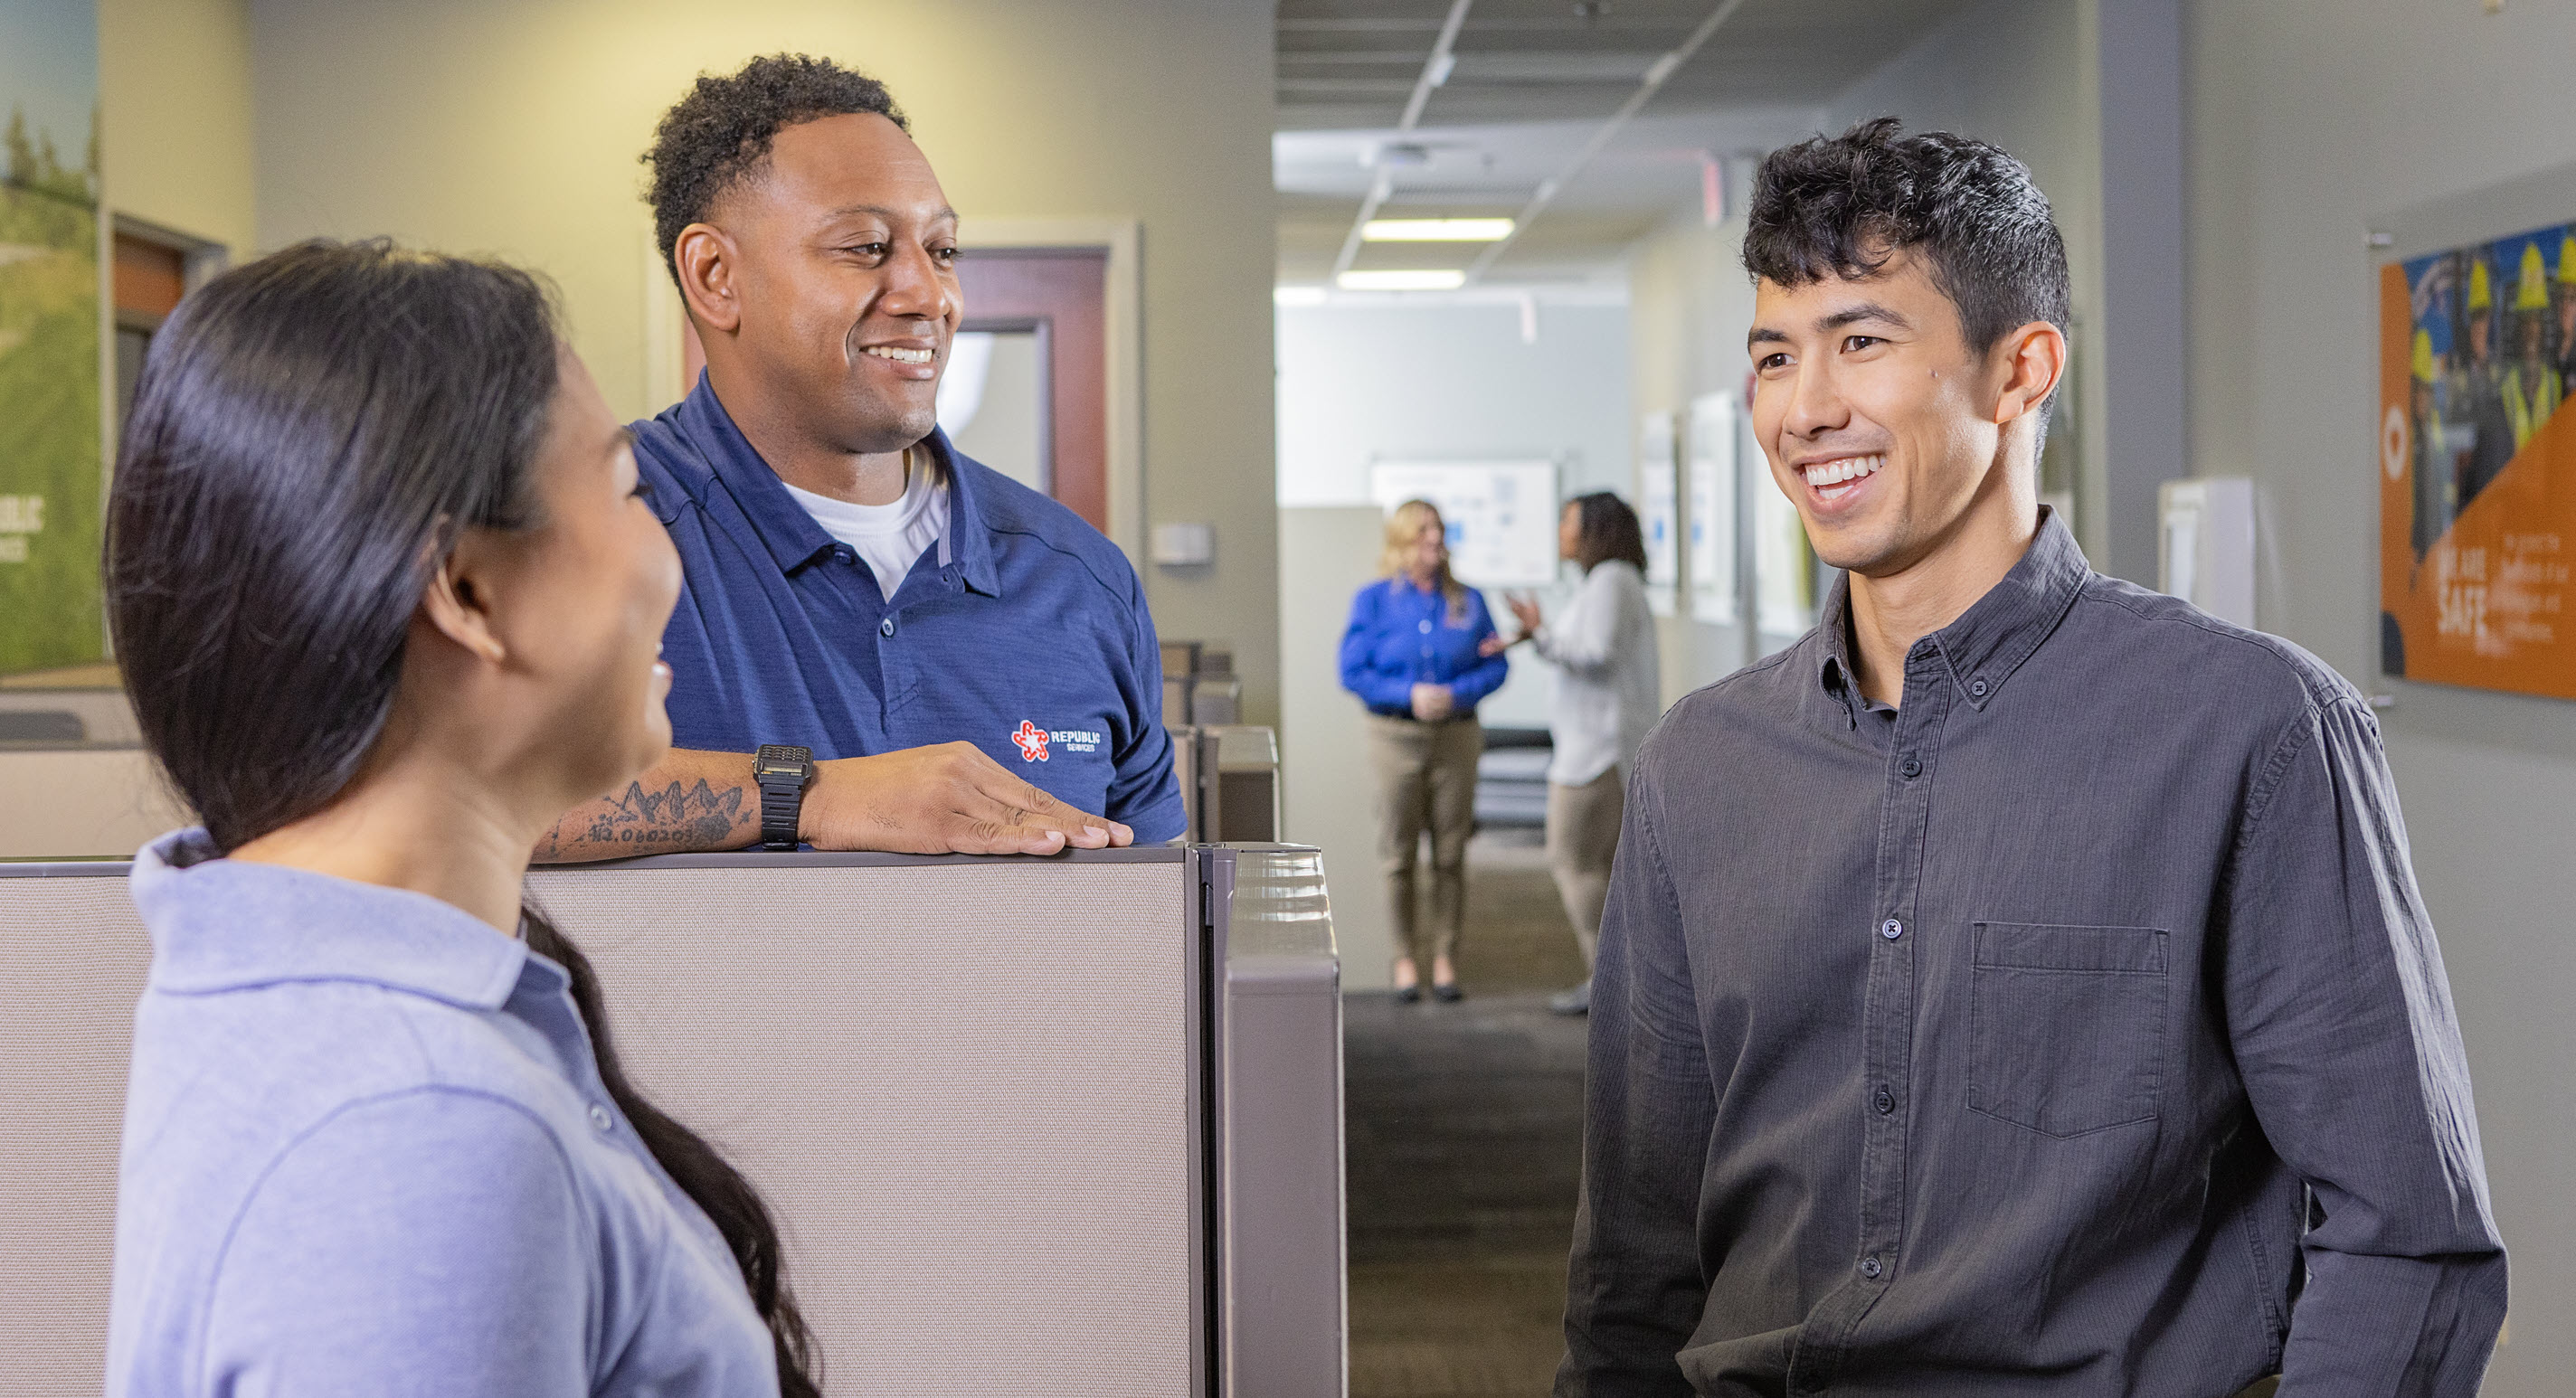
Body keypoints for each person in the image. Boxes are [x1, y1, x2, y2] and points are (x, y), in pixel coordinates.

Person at [1559, 119, 2504, 1396]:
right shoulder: (1697, 768)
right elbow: (1634, 1270)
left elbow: (2409, 1234)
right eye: (1776, 355)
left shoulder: (2252, 730)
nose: (1804, 407)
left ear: (2021, 370)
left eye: (1863, 341)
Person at [102, 241, 817, 1396]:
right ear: (468, 590)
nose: (668, 557)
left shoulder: (310, 991)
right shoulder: (419, 1129)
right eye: (630, 491)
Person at [535, 55, 1183, 862]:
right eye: (867, 247)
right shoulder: (577, 527)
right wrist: (811, 794)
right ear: (714, 276)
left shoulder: (1080, 579)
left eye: (942, 251)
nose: (928, 295)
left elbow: (1159, 907)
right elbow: (436, 800)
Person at [1489, 492, 1660, 1016]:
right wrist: (1539, 636)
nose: (1561, 530)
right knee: (1595, 869)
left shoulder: (1610, 580)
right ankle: (1613, 983)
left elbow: (1595, 654)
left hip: (1594, 755)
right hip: (1594, 748)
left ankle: (1608, 982)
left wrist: (1542, 634)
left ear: (1594, 529)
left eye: (1567, 521)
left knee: (1573, 863)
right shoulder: (1608, 582)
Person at [1340, 499, 1508, 1001]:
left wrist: (1457, 694)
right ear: (1401, 541)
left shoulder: (1469, 601)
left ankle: (1446, 959)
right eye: (1422, 531)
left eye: (1437, 529)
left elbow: (1497, 666)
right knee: (1398, 854)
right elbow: (1352, 671)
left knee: (1451, 853)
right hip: (1395, 738)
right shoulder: (1372, 601)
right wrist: (1406, 694)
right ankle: (1404, 960)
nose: (1434, 539)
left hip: (1456, 737)